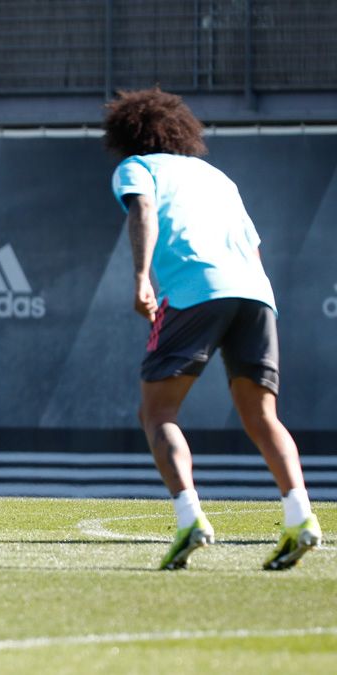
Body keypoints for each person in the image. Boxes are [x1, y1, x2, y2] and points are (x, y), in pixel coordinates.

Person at [104, 87, 322, 570]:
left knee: (157, 414)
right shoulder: (218, 177)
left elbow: (142, 212)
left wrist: (141, 278)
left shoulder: (137, 168)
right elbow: (252, 243)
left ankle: (190, 518)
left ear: (127, 134)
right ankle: (302, 517)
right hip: (256, 293)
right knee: (264, 417)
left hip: (193, 291)